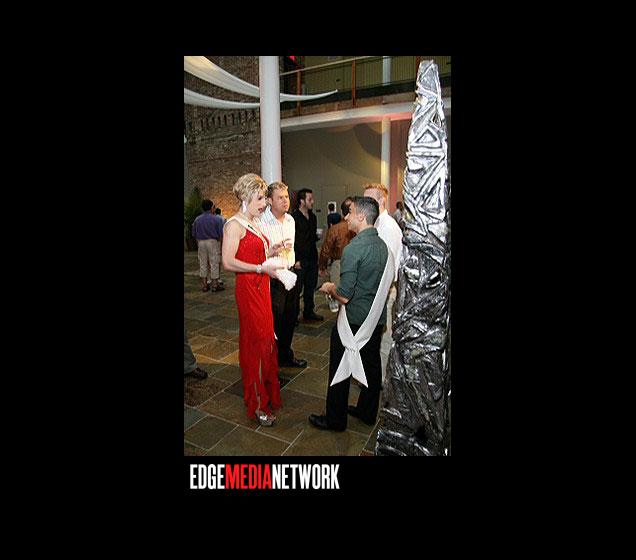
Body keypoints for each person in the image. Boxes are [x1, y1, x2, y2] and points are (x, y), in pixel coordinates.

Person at [309, 196, 394, 431]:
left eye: (351, 212)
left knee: (340, 366)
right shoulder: (384, 247)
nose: (346, 217)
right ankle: (367, 412)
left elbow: (345, 296)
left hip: (353, 319)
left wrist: (329, 288)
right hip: (374, 319)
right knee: (371, 365)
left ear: (361, 216)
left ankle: (335, 420)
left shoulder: (354, 248)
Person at [221, 174, 287, 426]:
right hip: (249, 290)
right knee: (256, 345)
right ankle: (257, 403)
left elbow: (254, 254)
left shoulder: (253, 222)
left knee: (266, 342)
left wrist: (271, 250)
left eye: (264, 199)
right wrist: (260, 268)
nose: (264, 204)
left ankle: (263, 394)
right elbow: (228, 262)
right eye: (260, 198)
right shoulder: (234, 225)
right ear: (246, 197)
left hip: (261, 288)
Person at [256, 181, 308, 369]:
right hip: (273, 277)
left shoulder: (290, 220)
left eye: (286, 197)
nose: (285, 201)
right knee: (274, 322)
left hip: (290, 274)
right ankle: (271, 363)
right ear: (270, 200)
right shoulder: (260, 222)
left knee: (290, 318)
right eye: (280, 197)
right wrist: (271, 250)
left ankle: (286, 355)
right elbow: (256, 254)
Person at [363, 183, 403, 385]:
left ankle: (380, 381)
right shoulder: (377, 223)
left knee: (384, 339)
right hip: (378, 290)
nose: (365, 204)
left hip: (384, 291)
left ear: (382, 201)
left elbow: (386, 267)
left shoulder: (387, 227)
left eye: (369, 199)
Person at [292, 188, 323, 322]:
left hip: (312, 258)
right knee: (297, 289)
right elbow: (292, 240)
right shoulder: (293, 218)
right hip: (300, 259)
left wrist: (317, 237)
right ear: (302, 201)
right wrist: (295, 260)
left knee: (310, 287)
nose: (312, 201)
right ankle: (293, 316)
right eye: (309, 199)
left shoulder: (313, 217)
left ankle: (308, 312)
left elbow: (309, 237)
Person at [318, 197, 355, 286]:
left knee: (337, 291)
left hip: (338, 264)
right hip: (355, 264)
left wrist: (322, 267)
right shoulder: (359, 227)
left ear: (341, 212)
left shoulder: (335, 229)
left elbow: (326, 249)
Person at [192, 199, 225, 292]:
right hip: (213, 241)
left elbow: (194, 233)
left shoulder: (197, 219)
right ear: (211, 207)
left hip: (201, 242)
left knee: (203, 263)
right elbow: (221, 234)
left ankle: (205, 285)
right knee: (214, 263)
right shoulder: (217, 219)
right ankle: (215, 284)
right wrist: (221, 245)